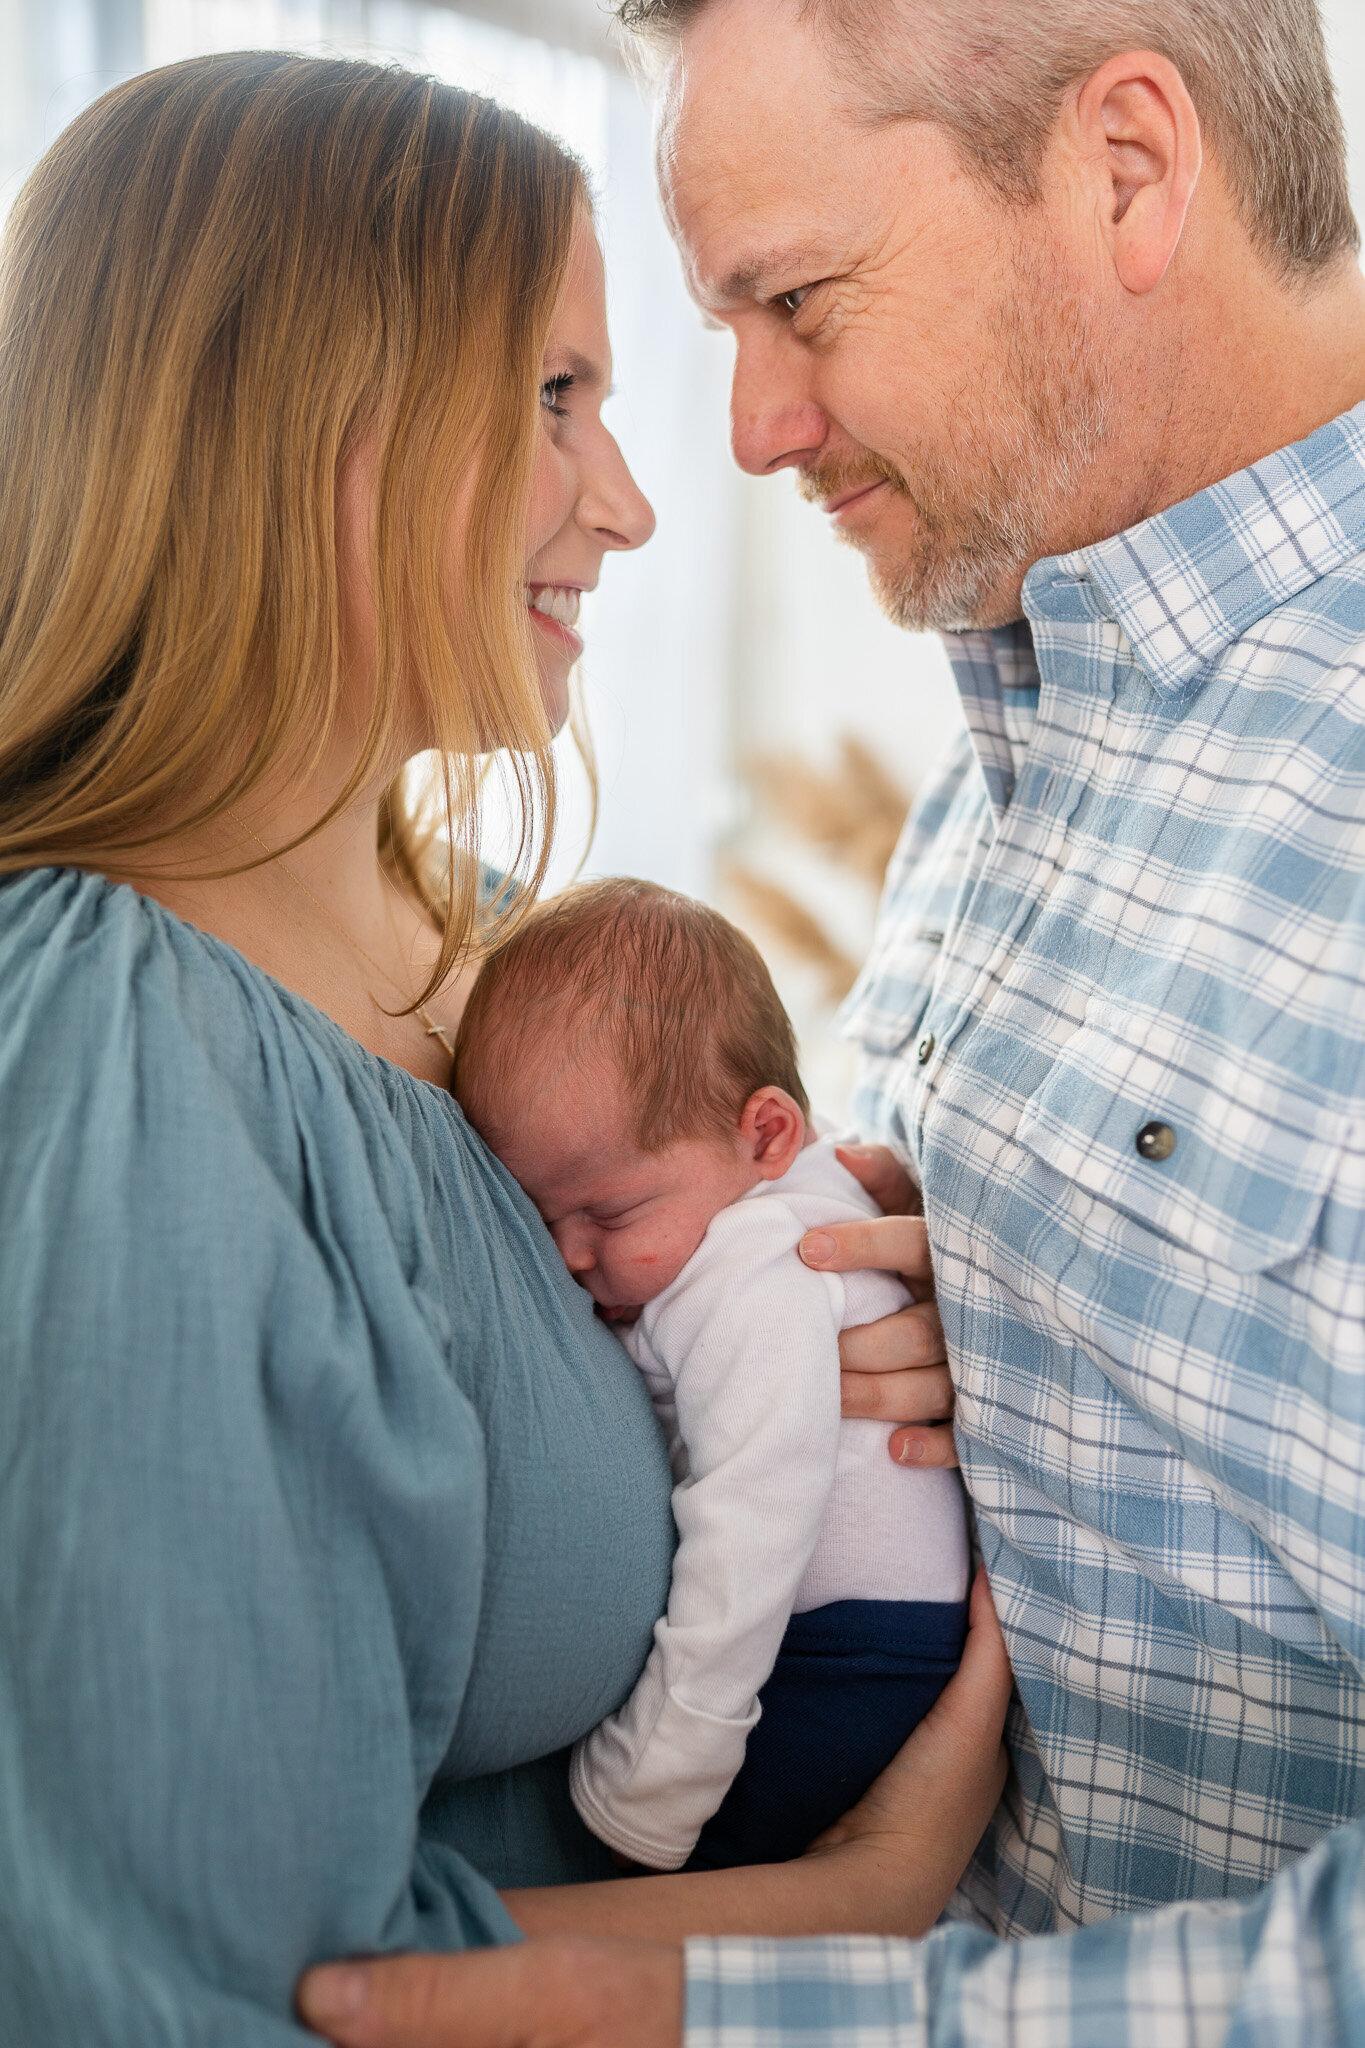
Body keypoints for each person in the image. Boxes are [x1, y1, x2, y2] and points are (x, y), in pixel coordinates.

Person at [295, 0, 1365, 2042]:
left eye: (793, 301)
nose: (747, 430)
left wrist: (757, 2012)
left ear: (1125, 169)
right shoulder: (998, 760)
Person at [0, 49, 1011, 2046]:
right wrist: (862, 1901)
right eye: (554, 400)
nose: (631, 505)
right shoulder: (110, 1080)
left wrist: (830, 1283)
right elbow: (225, 1992)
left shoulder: (463, 936)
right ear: (293, 428)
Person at [453, 877, 971, 1873]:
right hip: (853, 1640)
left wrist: (657, 1777)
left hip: (839, 1657)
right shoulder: (772, 1187)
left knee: (680, 1884)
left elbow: (755, 1514)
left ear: (766, 1132)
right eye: (539, 1218)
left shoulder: (750, 1269)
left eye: (605, 1215)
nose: (567, 1257)